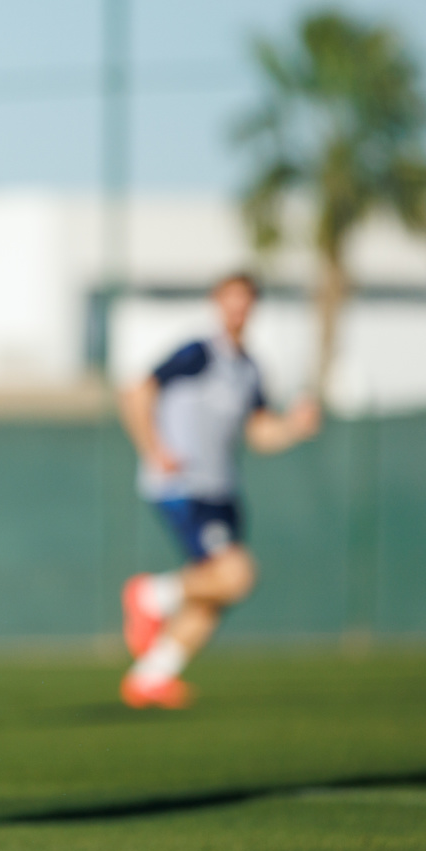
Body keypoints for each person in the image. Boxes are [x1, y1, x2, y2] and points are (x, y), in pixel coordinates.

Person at [118, 271, 320, 709]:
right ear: (216, 303)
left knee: (217, 593)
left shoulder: (249, 368)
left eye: (245, 301)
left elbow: (261, 434)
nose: (237, 309)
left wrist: (294, 427)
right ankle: (149, 596)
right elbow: (136, 392)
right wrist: (155, 448)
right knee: (236, 575)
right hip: (183, 486)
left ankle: (151, 676)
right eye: (230, 300)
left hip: (222, 491)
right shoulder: (197, 354)